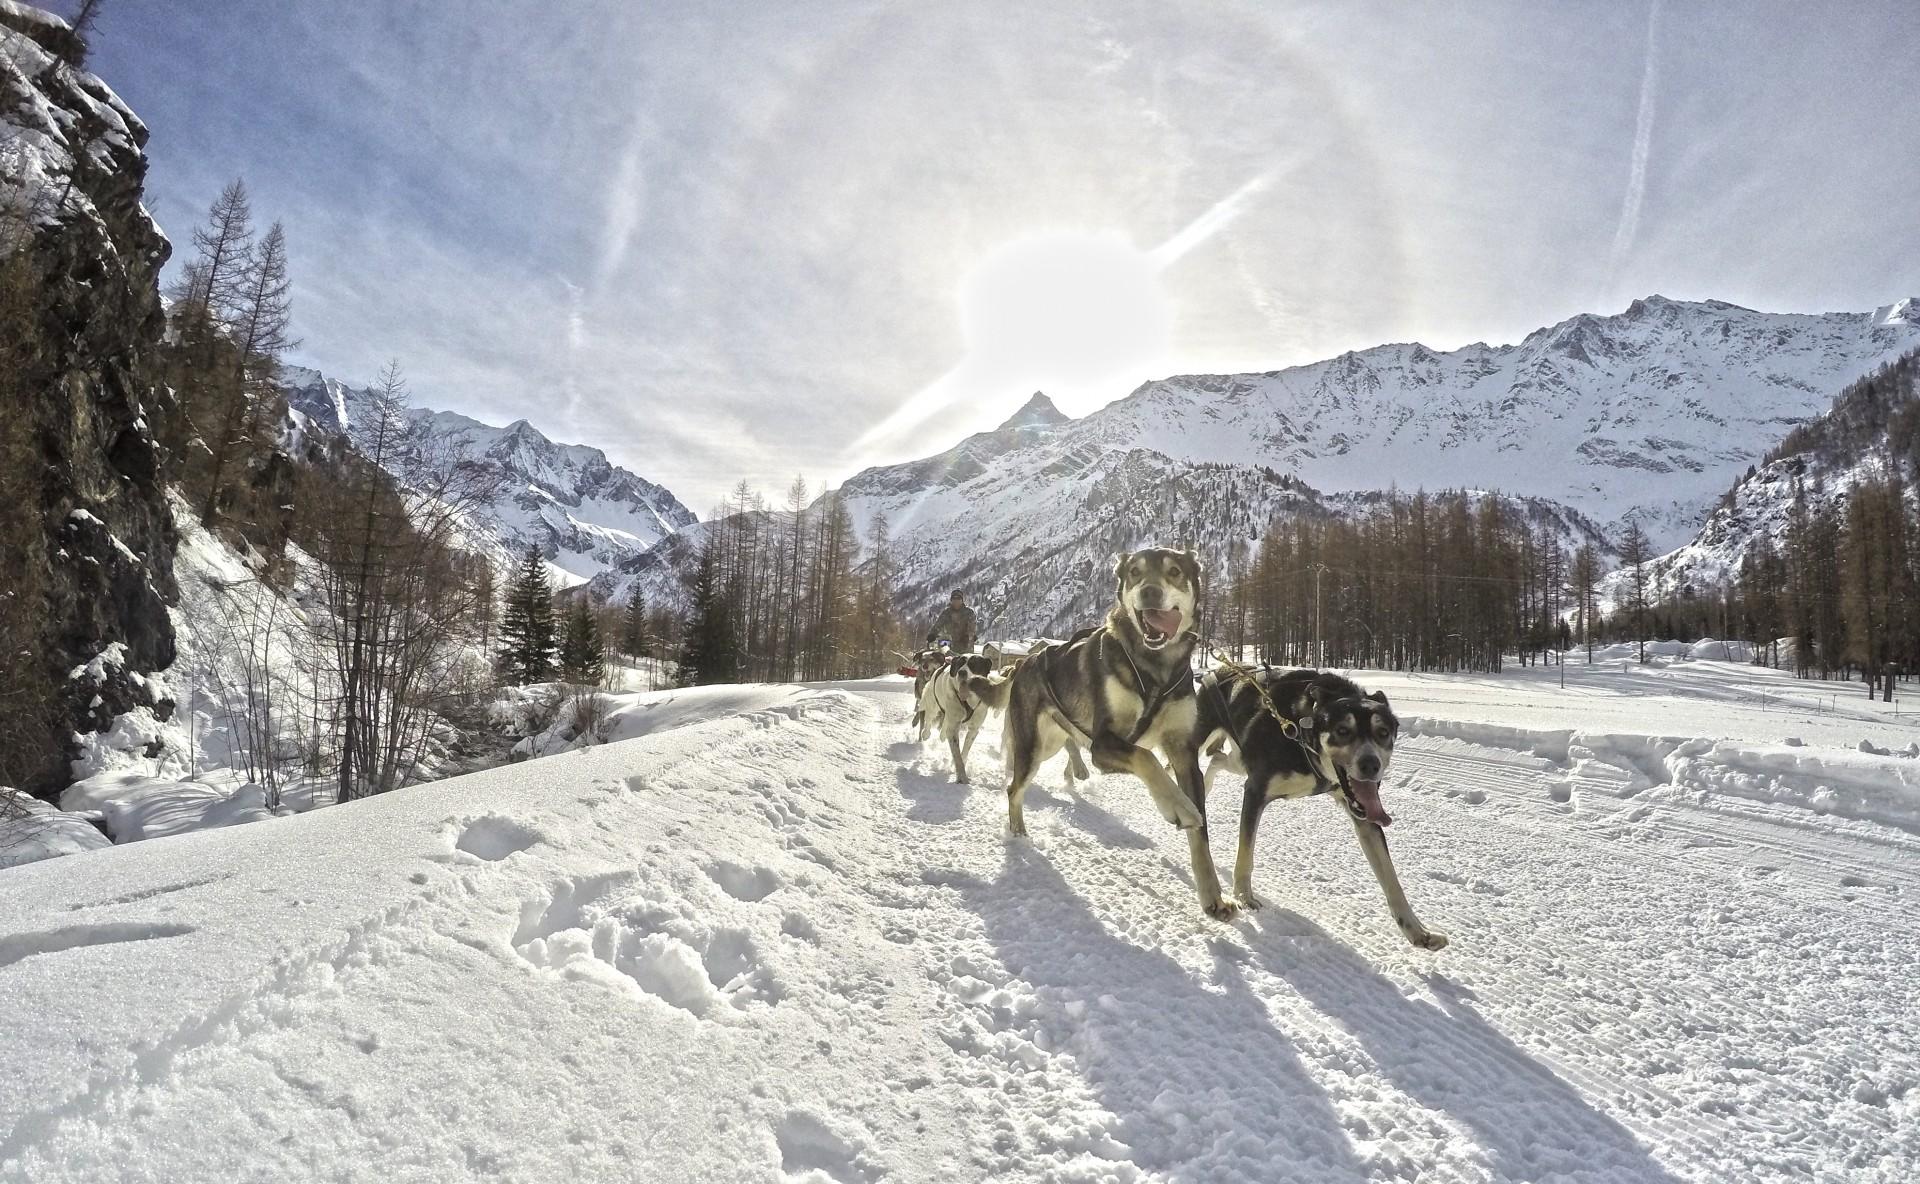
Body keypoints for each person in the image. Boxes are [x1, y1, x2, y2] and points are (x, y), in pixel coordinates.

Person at [926, 589, 977, 654]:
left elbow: (972, 628)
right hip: (950, 646)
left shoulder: (969, 613)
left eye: (958, 599)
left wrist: (968, 636)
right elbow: (938, 625)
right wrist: (932, 634)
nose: (956, 601)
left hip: (966, 646)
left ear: (962, 600)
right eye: (954, 599)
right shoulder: (946, 613)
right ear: (951, 600)